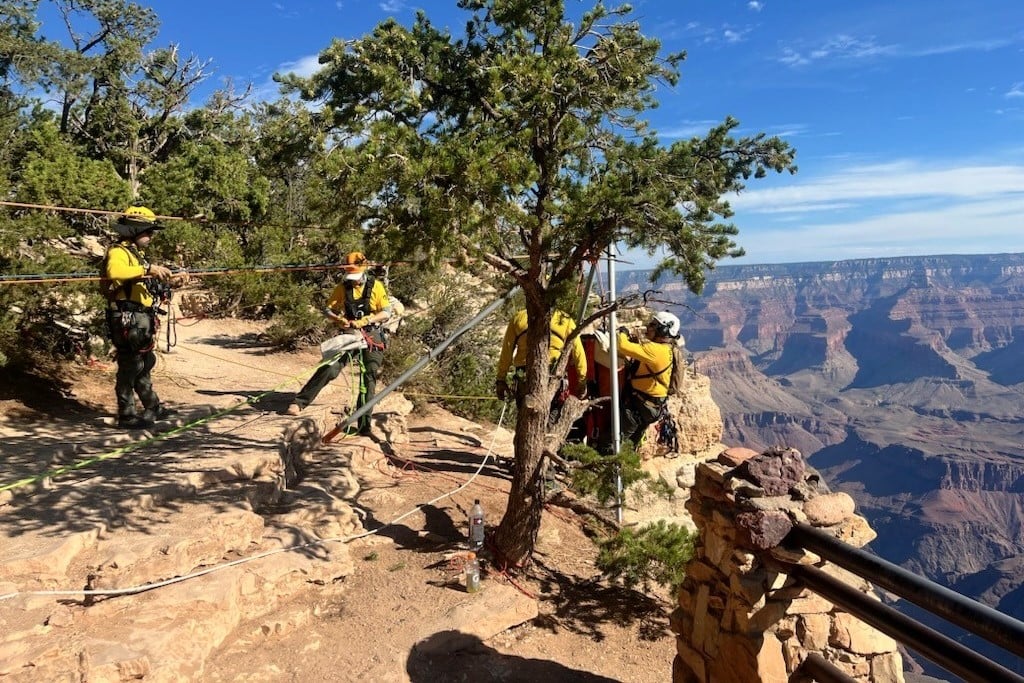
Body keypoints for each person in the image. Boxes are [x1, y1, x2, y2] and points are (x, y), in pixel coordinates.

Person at [287, 251, 392, 434]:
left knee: (369, 377)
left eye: (356, 277)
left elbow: (386, 312)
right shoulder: (342, 288)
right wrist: (338, 319)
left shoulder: (376, 287)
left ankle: (364, 424)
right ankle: (299, 403)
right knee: (330, 367)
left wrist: (366, 320)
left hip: (372, 335)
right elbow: (328, 310)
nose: (354, 281)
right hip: (350, 334)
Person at [102, 206, 177, 429]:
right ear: (134, 230)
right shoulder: (118, 252)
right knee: (131, 364)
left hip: (140, 316)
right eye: (148, 231)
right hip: (127, 316)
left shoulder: (136, 255)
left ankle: (152, 406)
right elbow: (115, 272)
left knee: (145, 362)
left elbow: (144, 281)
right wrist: (149, 268)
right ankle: (126, 414)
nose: (151, 236)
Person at [495, 309, 588, 411]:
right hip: (553, 373)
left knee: (525, 415)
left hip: (524, 373)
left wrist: (501, 379)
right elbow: (578, 352)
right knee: (551, 416)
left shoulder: (519, 317)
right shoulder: (564, 319)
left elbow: (507, 351)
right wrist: (582, 380)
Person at [613, 311, 681, 448]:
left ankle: (611, 467)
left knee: (615, 443)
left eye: (653, 325)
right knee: (631, 444)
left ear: (663, 330)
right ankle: (625, 466)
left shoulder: (655, 350)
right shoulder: (668, 348)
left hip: (639, 405)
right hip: (651, 406)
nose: (648, 327)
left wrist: (623, 332)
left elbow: (622, 345)